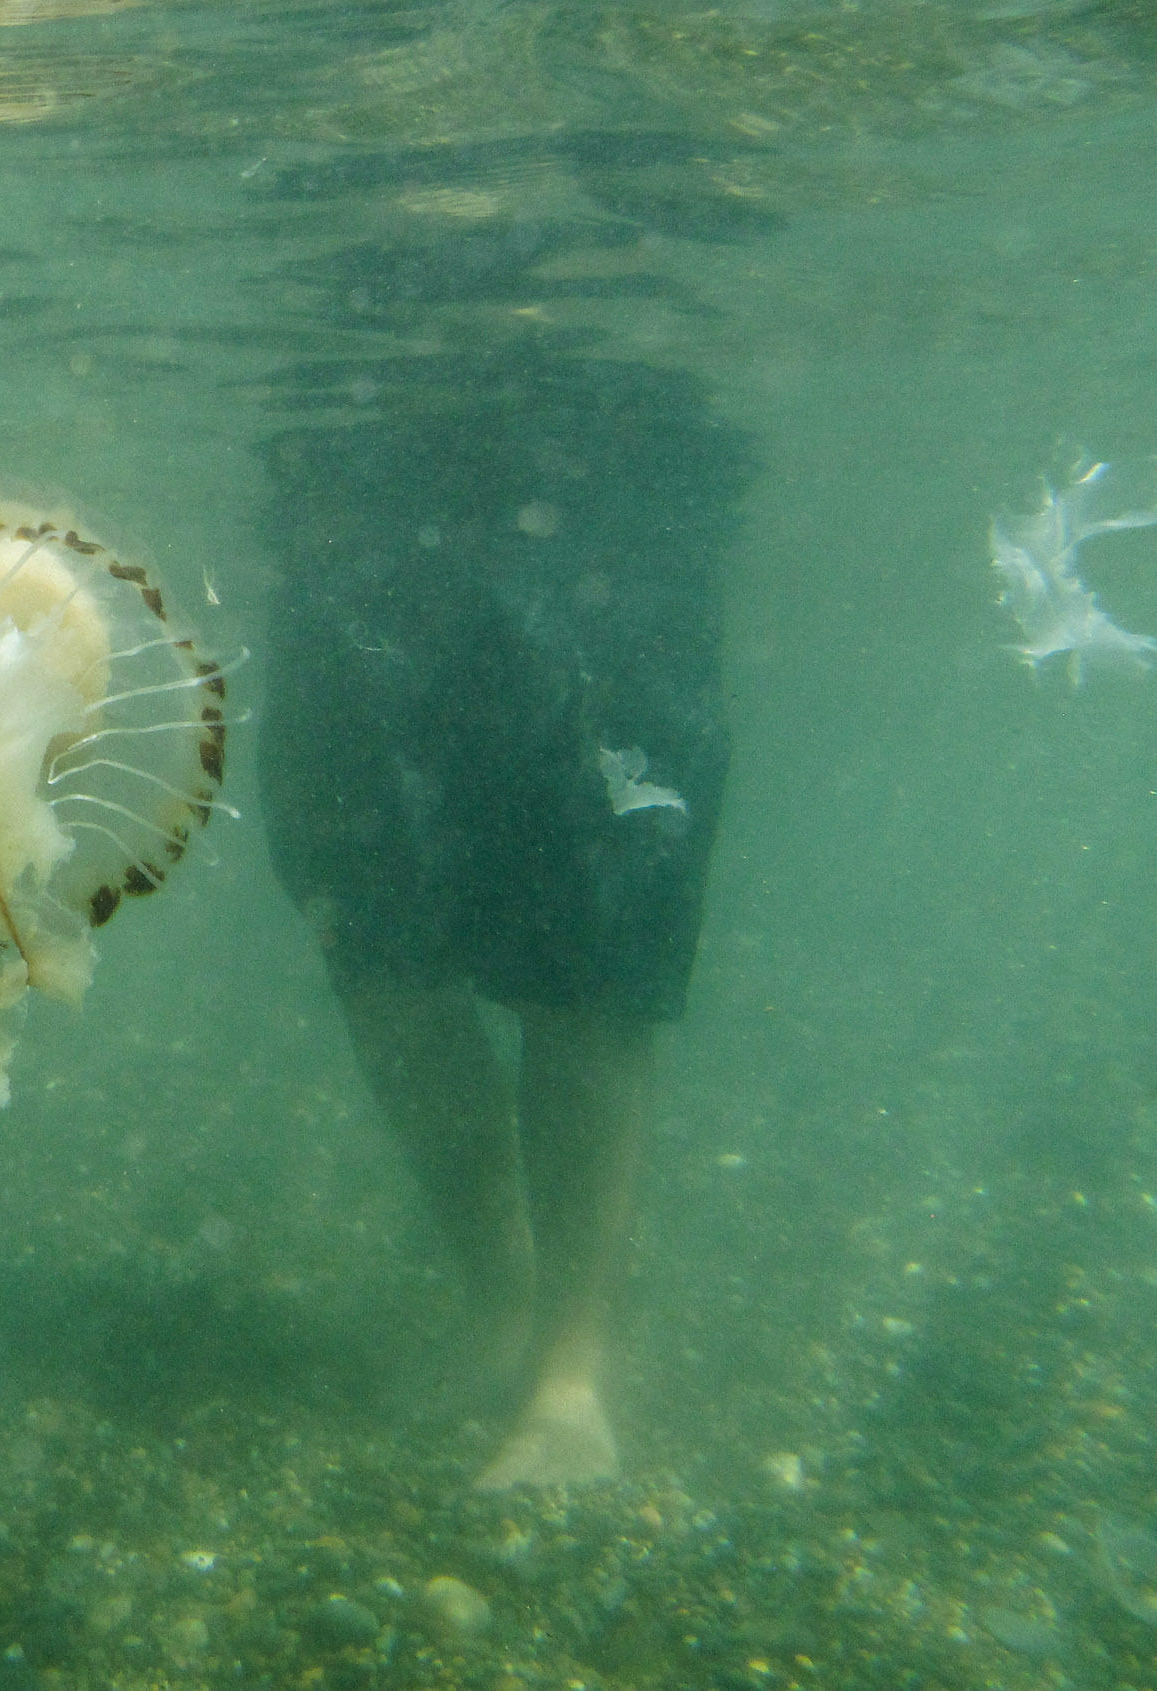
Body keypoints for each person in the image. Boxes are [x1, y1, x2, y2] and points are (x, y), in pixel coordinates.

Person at [256, 347, 751, 1488]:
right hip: (360, 520)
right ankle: (500, 1297)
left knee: (595, 956)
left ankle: (568, 1372)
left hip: (610, 505)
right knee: (372, 943)